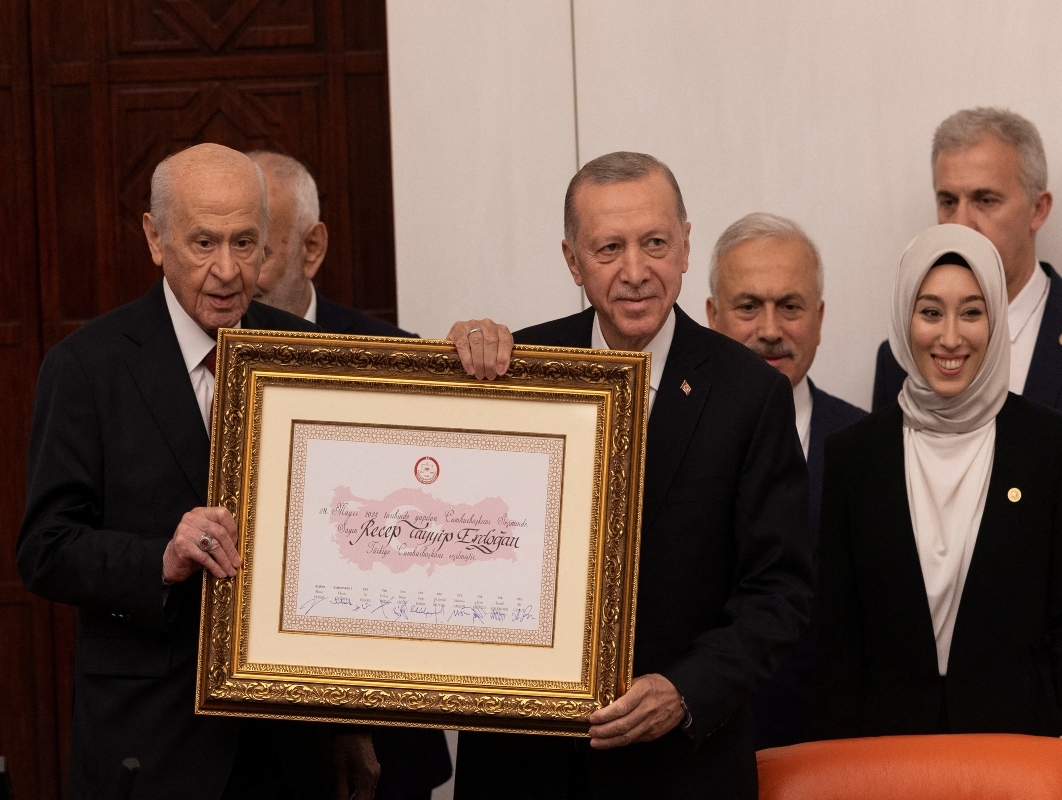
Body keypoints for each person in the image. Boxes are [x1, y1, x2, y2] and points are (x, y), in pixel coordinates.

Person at [443, 152, 812, 799]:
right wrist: (447, 377)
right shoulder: (515, 369)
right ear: (572, 260)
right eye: (609, 248)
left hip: (677, 770)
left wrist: (685, 690)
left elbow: (778, 591)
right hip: (521, 766)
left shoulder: (751, 395)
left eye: (656, 243)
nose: (636, 272)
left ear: (686, 245)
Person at [16, 144, 371, 799]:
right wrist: (161, 558)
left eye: (245, 243)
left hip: (287, 748)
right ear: (156, 240)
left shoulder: (299, 353)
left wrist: (346, 724)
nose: (227, 270)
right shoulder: (86, 367)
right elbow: (45, 549)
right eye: (204, 242)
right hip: (151, 745)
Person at [871, 108, 1062, 738]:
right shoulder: (901, 359)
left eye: (986, 200)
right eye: (947, 200)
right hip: (924, 730)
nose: (962, 223)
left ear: (1039, 208)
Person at [817, 223, 1062, 800]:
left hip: (1017, 755)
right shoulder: (853, 455)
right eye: (930, 312)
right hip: (884, 762)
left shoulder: (1051, 446)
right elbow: (839, 636)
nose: (950, 337)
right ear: (904, 320)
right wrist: (833, 768)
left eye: (971, 312)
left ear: (996, 321)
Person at [246, 149, 450, 800]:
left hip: (389, 741)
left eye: (254, 248)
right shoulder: (189, 362)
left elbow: (427, 551)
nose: (231, 270)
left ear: (312, 249)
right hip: (239, 745)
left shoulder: (396, 361)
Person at [704, 212, 865, 747]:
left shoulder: (866, 445)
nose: (770, 330)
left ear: (818, 318)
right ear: (712, 316)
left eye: (790, 307)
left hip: (830, 749)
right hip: (698, 748)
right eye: (748, 306)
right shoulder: (669, 434)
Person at [246, 150, 419, 338]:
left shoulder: (387, 348)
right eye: (209, 245)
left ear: (312, 248)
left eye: (254, 254)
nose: (228, 273)